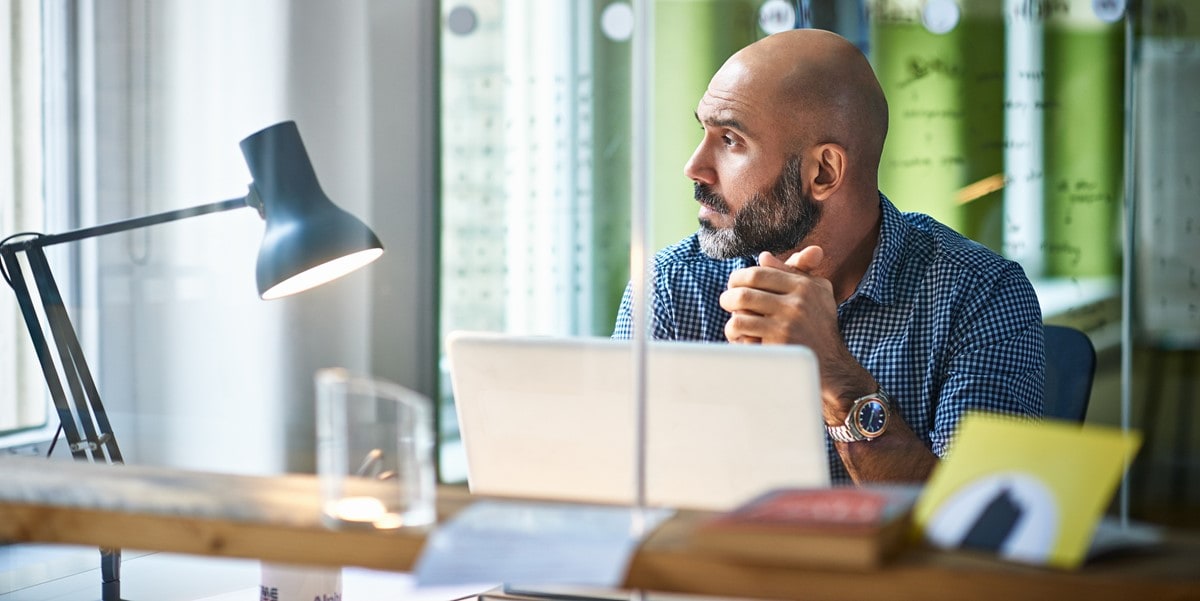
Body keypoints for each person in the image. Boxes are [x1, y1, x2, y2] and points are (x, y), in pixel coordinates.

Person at [612, 29, 1044, 485]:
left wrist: (835, 375)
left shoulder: (982, 296)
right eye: (704, 132)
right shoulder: (671, 286)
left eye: (731, 140)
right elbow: (612, 490)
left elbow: (979, 529)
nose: (694, 167)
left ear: (823, 172)